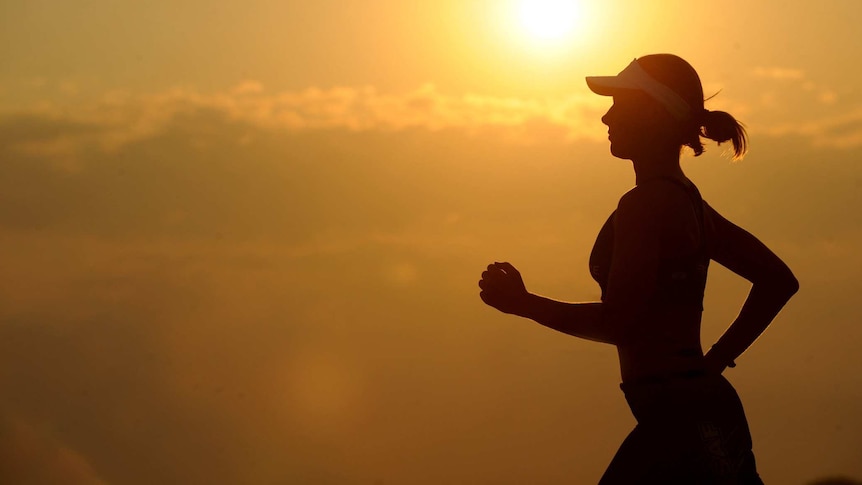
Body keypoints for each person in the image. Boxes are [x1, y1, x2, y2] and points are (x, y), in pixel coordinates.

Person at [477, 54, 799, 483]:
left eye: (619, 104)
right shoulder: (687, 203)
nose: (605, 117)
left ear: (652, 111)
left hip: (682, 423)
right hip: (696, 413)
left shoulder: (646, 205)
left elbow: (621, 323)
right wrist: (715, 361)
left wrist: (525, 304)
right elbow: (778, 281)